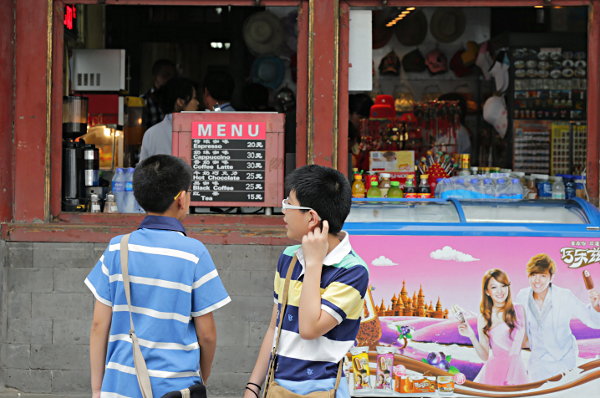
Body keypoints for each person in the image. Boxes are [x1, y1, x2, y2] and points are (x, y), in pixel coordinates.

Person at [86, 154, 231, 398]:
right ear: (181, 199)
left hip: (119, 385)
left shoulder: (116, 248)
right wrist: (202, 377)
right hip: (176, 388)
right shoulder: (194, 253)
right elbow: (207, 334)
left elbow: (99, 325)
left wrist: (97, 388)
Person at [243, 165, 369, 398]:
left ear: (311, 217)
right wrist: (253, 386)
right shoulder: (289, 258)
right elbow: (275, 326)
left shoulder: (353, 271)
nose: (283, 211)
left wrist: (313, 264)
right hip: (278, 388)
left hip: (323, 390)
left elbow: (309, 329)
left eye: (288, 204)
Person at [516, 254, 600, 382]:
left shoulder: (564, 295)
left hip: (564, 361)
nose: (537, 280)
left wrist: (595, 307)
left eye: (542, 275)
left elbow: (593, 321)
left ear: (551, 277)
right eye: (533, 275)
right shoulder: (522, 295)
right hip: (538, 363)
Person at [458, 269, 529, 386]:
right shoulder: (485, 317)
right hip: (495, 372)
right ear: (487, 291)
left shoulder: (519, 309)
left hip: (517, 371)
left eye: (503, 285)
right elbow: (485, 356)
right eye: (494, 287)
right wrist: (471, 336)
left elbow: (525, 342)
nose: (500, 291)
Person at [140, 78, 199, 162]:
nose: (197, 103)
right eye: (194, 98)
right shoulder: (199, 131)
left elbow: (142, 172)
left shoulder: (151, 133)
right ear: (180, 102)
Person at [141, 59, 177, 129]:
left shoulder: (177, 100)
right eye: (166, 75)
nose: (170, 79)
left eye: (173, 76)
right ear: (155, 78)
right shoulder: (144, 101)